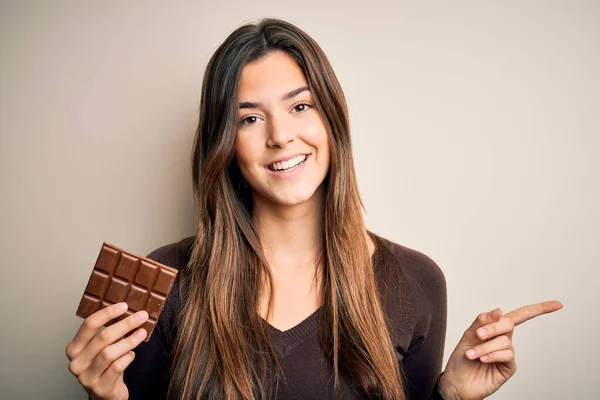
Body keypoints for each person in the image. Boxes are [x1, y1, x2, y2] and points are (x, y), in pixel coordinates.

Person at [65, 18, 563, 400]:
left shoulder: (416, 281)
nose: (280, 135)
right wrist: (104, 397)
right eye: (250, 118)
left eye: (300, 106)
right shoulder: (168, 277)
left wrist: (448, 396)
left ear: (332, 120)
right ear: (225, 145)